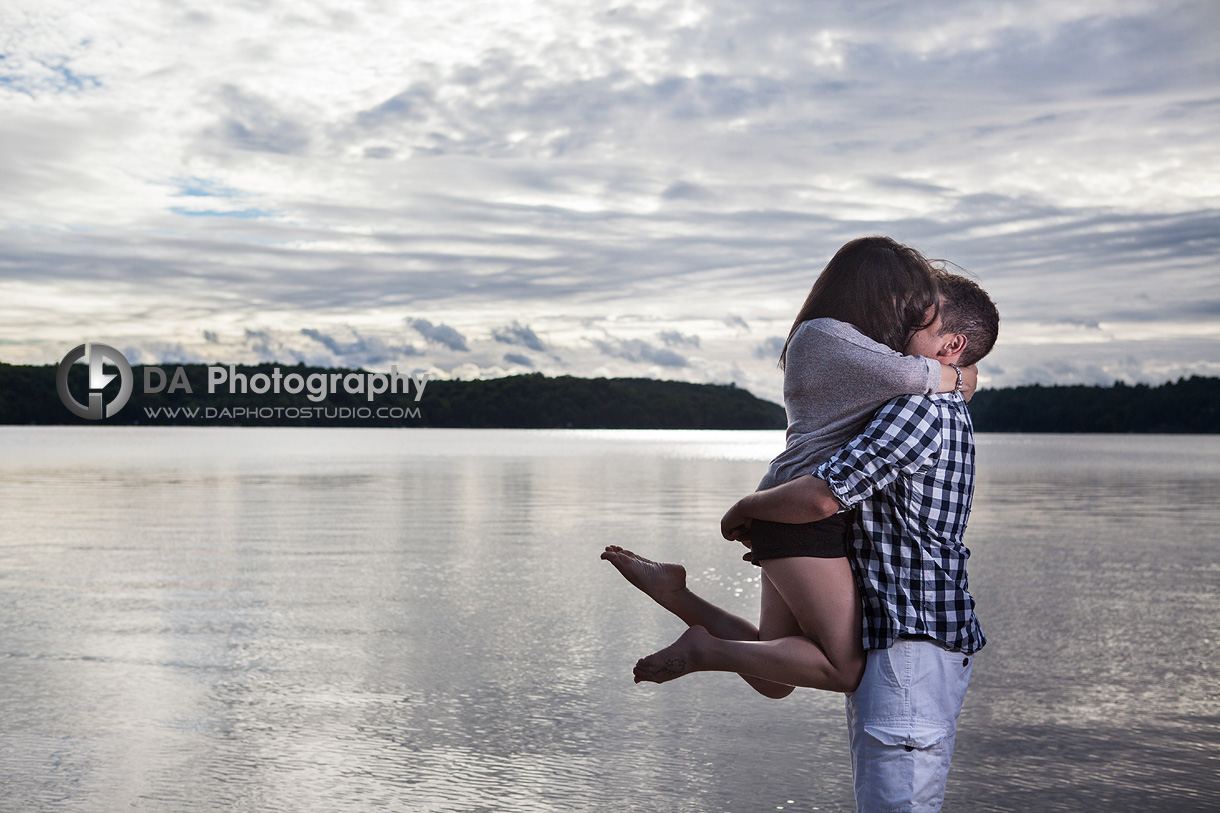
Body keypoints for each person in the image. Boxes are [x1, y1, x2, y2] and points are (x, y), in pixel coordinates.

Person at [619, 272, 1000, 812]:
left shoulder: (917, 407)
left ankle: (696, 629)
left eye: (919, 317)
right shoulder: (932, 395)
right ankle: (694, 624)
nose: (898, 325)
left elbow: (825, 497)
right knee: (784, 673)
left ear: (950, 345)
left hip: (911, 644)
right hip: (912, 639)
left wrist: (746, 509)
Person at [603, 236, 977, 701]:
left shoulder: (849, 344)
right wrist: (965, 375)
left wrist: (959, 377)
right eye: (912, 299)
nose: (916, 312)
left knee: (774, 671)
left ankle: (676, 594)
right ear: (880, 292)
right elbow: (919, 377)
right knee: (844, 670)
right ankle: (704, 650)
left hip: (795, 503)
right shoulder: (825, 335)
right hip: (806, 507)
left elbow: (921, 378)